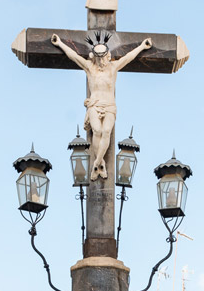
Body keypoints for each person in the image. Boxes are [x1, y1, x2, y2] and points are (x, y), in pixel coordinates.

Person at [50, 33, 152, 180]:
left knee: (106, 132)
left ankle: (97, 164)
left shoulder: (113, 67)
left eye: (103, 58)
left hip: (110, 105)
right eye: (99, 58)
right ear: (95, 57)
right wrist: (59, 43)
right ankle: (100, 164)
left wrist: (142, 46)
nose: (102, 61)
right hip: (94, 105)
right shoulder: (90, 68)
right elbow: (73, 56)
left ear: (107, 56)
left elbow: (129, 57)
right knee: (97, 131)